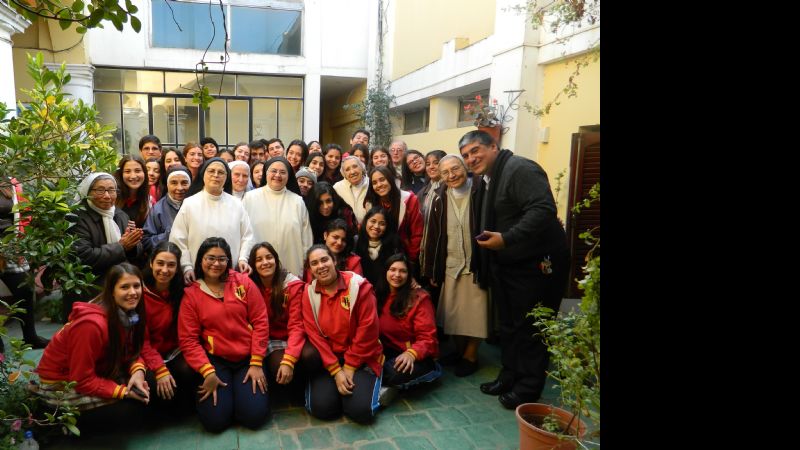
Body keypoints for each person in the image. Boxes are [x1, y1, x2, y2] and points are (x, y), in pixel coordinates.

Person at [460, 130, 570, 409]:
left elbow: (543, 209)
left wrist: (507, 238)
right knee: (509, 325)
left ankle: (528, 387)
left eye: (475, 151)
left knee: (531, 327)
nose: (471, 159)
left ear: (494, 146)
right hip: (508, 264)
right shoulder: (487, 179)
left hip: (536, 263)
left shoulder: (519, 168)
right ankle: (509, 375)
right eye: (466, 155)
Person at [33, 263, 151, 430]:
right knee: (130, 411)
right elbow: (81, 379)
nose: (132, 293)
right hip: (61, 385)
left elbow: (131, 352)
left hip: (96, 371)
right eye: (124, 287)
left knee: (148, 384)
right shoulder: (91, 326)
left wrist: (138, 372)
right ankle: (52, 418)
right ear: (111, 291)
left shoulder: (127, 314)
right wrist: (123, 392)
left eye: (136, 286)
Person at [177, 237, 270, 431]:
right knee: (215, 423)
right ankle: (230, 401)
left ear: (229, 261)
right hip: (215, 361)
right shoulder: (192, 294)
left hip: (247, 359)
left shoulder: (243, 282)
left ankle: (241, 399)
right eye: (210, 258)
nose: (216, 264)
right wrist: (207, 372)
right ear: (201, 260)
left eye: (222, 259)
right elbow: (189, 340)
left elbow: (261, 322)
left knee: (254, 418)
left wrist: (256, 362)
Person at [301, 245, 383, 424]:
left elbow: (368, 329)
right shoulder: (309, 293)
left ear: (334, 260)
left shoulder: (358, 286)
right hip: (331, 359)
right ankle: (343, 393)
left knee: (360, 412)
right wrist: (336, 371)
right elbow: (315, 336)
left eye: (324, 260)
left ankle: (378, 390)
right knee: (321, 409)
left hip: (362, 358)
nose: (320, 266)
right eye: (314, 263)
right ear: (310, 269)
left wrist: (350, 367)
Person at [422, 154, 487, 377]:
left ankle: (471, 355)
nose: (452, 175)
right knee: (453, 313)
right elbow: (431, 235)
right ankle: (460, 351)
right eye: (445, 173)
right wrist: (431, 268)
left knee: (477, 313)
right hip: (450, 262)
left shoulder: (480, 190)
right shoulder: (440, 197)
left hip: (476, 261)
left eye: (455, 169)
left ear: (464, 167)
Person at [68, 173, 143, 318]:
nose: (107, 196)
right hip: (91, 286)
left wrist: (133, 244)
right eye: (100, 190)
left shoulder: (119, 214)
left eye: (112, 190)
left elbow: (135, 250)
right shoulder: (77, 218)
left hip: (120, 284)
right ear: (87, 193)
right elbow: (83, 256)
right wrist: (121, 246)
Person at [169, 158, 254, 285]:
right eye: (211, 171)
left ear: (226, 177)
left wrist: (243, 259)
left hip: (230, 272)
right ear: (203, 175)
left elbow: (247, 236)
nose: (215, 175)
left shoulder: (237, 204)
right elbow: (178, 239)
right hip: (196, 273)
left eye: (221, 172)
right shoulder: (190, 204)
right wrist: (186, 266)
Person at [140, 242, 197, 410]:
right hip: (147, 352)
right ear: (151, 263)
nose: (165, 270)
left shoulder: (182, 292)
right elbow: (140, 341)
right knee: (151, 382)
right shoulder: (139, 292)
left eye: (171, 265)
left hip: (174, 350)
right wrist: (160, 368)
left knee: (190, 369)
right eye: (160, 263)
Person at [376, 253, 441, 389]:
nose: (397, 275)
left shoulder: (419, 298)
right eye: (392, 269)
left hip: (416, 355)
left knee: (392, 373)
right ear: (385, 272)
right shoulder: (379, 295)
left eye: (403, 271)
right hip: (388, 352)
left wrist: (411, 354)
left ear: (409, 275)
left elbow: (428, 337)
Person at [247, 242, 307, 388]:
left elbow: (296, 325)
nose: (265, 262)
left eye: (269, 257)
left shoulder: (291, 285)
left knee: (309, 357)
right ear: (253, 265)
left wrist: (289, 359)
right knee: (276, 365)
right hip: (265, 339)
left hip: (290, 337)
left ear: (276, 260)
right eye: (259, 259)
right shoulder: (249, 285)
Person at [242, 157, 312, 277]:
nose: (277, 175)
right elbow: (242, 232)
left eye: (283, 172)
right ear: (266, 173)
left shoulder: (297, 201)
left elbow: (306, 238)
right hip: (258, 265)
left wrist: (306, 261)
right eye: (273, 171)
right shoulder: (250, 198)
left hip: (291, 264)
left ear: (289, 176)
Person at [0, 177, 48, 348]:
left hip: (10, 245)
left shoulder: (8, 181)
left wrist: (21, 240)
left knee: (25, 289)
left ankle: (30, 337)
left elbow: (21, 213)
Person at [363, 166, 424, 278]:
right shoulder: (370, 203)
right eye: (374, 182)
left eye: (382, 179)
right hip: (379, 258)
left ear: (390, 179)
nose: (379, 185)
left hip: (404, 256)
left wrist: (409, 260)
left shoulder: (409, 199)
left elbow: (417, 234)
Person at [142, 165, 191, 255]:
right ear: (167, 185)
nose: (179, 188)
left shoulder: (196, 205)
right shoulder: (157, 209)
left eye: (184, 183)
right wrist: (169, 234)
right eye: (174, 183)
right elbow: (146, 242)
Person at [354, 206, 404, 288]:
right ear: (366, 221)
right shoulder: (356, 242)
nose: (376, 226)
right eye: (373, 221)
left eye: (382, 224)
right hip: (361, 292)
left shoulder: (394, 244)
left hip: (386, 292)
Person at [114, 155, 151, 228]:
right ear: (121, 174)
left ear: (144, 173)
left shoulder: (149, 201)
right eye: (127, 171)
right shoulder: (113, 198)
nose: (133, 176)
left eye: (137, 171)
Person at [333, 156, 370, 225]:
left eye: (355, 166)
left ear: (362, 168)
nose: (352, 172)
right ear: (344, 175)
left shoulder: (371, 184)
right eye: (347, 169)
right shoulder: (337, 188)